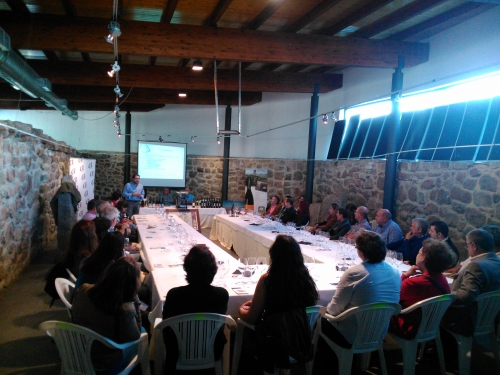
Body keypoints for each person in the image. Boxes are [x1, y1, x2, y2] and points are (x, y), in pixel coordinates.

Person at [238, 235, 318, 371]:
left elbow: (252, 318)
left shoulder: (268, 280)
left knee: (243, 328)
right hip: (301, 340)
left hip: (274, 343)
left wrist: (240, 310)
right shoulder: (305, 279)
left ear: (274, 255)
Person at [323, 231, 401, 345]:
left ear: (361, 252)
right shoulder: (395, 272)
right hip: (379, 332)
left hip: (351, 334)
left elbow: (334, 310)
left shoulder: (354, 273)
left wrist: (323, 312)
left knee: (317, 318)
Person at [162, 246, 229, 373]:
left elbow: (166, 326)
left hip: (177, 351)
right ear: (213, 270)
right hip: (212, 350)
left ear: (187, 269)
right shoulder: (221, 295)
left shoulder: (174, 295)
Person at [72, 257, 142, 374]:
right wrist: (134, 298)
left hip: (75, 352)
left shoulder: (83, 290)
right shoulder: (124, 309)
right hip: (104, 363)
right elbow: (135, 335)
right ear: (131, 285)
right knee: (145, 335)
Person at [441, 228, 500, 336]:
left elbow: (465, 296)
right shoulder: (497, 261)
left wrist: (445, 295)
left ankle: (437, 349)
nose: (467, 248)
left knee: (431, 312)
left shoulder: (476, 265)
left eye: (467, 245)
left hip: (468, 319)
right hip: (490, 316)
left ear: (473, 245)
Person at [389, 239, 452, 338]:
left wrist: (405, 275)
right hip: (431, 325)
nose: (417, 255)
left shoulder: (413, 283)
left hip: (409, 327)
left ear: (423, 258)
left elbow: (391, 295)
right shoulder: (442, 278)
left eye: (419, 253)